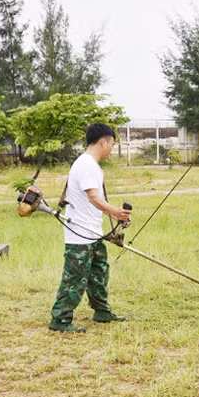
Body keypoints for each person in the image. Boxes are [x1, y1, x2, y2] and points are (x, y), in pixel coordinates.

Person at [49, 123, 132, 333]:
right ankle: (60, 319)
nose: (112, 148)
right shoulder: (86, 164)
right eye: (112, 143)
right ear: (103, 141)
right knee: (75, 278)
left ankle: (102, 311)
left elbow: (97, 200)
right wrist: (115, 211)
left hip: (93, 233)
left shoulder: (93, 166)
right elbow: (93, 197)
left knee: (99, 273)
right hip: (80, 235)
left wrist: (115, 215)